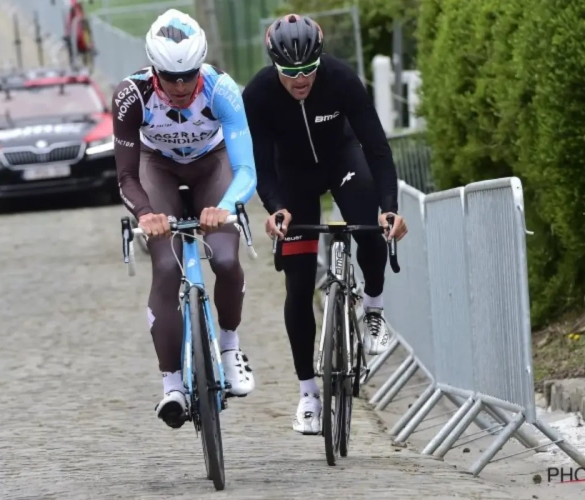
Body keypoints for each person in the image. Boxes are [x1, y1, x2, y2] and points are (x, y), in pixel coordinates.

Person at [241, 14, 408, 435]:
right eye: (290, 72)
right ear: (274, 66)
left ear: (320, 59)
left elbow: (377, 148)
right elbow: (261, 165)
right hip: (292, 179)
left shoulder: (341, 79)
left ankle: (373, 308)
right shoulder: (259, 93)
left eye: (308, 69)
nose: (301, 80)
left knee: (369, 227)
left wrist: (389, 207)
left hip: (342, 161)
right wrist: (275, 207)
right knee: (297, 285)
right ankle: (308, 395)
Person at [112, 9, 257, 429]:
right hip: (156, 165)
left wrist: (225, 206)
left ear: (200, 67)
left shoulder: (222, 89)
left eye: (188, 76)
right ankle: (172, 384)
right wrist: (146, 214)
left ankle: (229, 348)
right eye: (170, 77)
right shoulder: (131, 95)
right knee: (165, 265)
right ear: (153, 70)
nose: (179, 86)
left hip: (213, 165)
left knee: (226, 259)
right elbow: (125, 175)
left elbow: (246, 169)